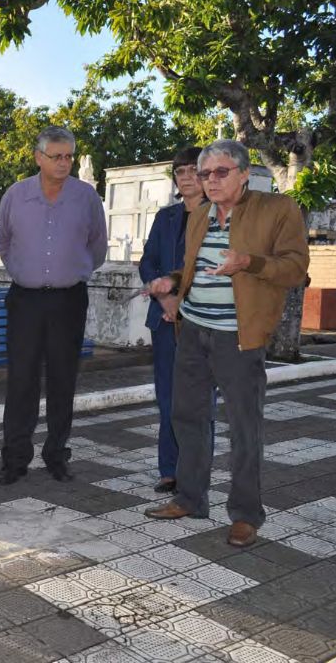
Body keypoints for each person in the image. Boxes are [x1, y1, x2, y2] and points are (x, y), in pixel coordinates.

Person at [144, 139, 309, 548]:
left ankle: (246, 515)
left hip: (239, 337)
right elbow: (194, 268)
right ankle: (190, 497)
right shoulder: (199, 215)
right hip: (193, 329)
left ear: (243, 172)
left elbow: (296, 269)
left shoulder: (277, 209)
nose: (210, 181)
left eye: (220, 172)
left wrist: (247, 263)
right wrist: (174, 282)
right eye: (204, 174)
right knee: (188, 417)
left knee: (243, 427)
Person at [0, 126, 108, 485]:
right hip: (25, 300)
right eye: (56, 156)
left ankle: (57, 455)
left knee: (62, 379)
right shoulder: (16, 194)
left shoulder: (85, 197)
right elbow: (3, 242)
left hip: (68, 299)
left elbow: (98, 246)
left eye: (69, 156)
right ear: (38, 157)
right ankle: (14, 459)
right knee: (21, 381)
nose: (64, 163)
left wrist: (71, 271)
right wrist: (23, 272)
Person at [139, 146, 205, 493]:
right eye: (180, 172)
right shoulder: (165, 218)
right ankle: (169, 469)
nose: (187, 177)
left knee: (198, 400)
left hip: (203, 321)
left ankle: (194, 471)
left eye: (194, 170)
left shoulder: (218, 216)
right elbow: (147, 263)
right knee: (167, 397)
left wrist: (183, 301)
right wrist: (165, 297)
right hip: (164, 319)